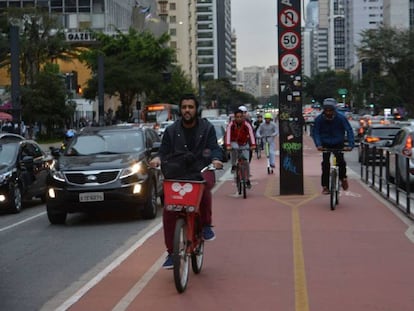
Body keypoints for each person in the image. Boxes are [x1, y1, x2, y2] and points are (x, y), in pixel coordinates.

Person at [149, 94, 223, 269]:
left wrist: (216, 159)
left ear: (196, 109)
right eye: (184, 107)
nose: (187, 110)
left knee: (203, 188)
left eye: (190, 107)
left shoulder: (207, 128)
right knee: (169, 209)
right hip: (178, 173)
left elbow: (214, 148)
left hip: (202, 170)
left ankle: (205, 225)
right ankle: (171, 252)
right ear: (180, 110)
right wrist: (158, 159)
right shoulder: (171, 130)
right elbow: (163, 151)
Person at [312, 98, 355, 194]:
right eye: (326, 110)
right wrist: (318, 144)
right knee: (325, 164)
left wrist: (351, 145)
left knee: (341, 162)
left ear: (334, 110)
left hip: (338, 142)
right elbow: (315, 132)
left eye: (330, 110)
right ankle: (325, 186)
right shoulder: (319, 119)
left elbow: (349, 130)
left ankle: (343, 178)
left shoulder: (341, 118)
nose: (328, 113)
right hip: (325, 144)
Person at [225, 109, 256, 188]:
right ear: (234, 117)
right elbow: (228, 135)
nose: (239, 119)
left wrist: (253, 145)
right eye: (237, 117)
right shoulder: (231, 125)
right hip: (234, 142)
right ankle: (233, 165)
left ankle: (247, 179)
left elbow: (251, 134)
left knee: (246, 162)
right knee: (234, 148)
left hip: (244, 143)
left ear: (243, 117)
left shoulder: (247, 124)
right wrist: (228, 145)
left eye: (240, 117)